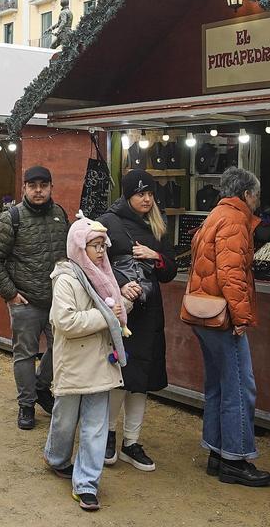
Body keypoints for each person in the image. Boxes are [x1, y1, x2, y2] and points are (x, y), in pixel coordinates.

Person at [188, 166, 270, 487]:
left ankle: (217, 451)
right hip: (222, 316)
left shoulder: (215, 215)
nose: (258, 201)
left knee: (218, 386)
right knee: (238, 387)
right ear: (247, 194)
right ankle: (235, 459)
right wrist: (241, 317)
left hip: (203, 313)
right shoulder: (236, 220)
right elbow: (231, 273)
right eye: (257, 195)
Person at [45, 217, 131, 511]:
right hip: (74, 364)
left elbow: (115, 312)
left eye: (102, 245)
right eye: (94, 245)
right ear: (79, 247)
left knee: (95, 426)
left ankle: (86, 484)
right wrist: (106, 315)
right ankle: (57, 458)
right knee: (65, 419)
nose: (100, 251)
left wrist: (125, 304)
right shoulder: (66, 279)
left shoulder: (105, 277)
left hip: (101, 364)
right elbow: (66, 322)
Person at [97, 169, 178, 471]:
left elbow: (169, 271)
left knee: (141, 379)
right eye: (140, 193)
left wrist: (155, 256)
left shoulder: (158, 224)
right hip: (122, 312)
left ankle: (131, 442)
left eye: (150, 193)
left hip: (150, 311)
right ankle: (107, 435)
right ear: (128, 195)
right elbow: (95, 265)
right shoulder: (108, 222)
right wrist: (119, 286)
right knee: (120, 375)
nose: (146, 199)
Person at [0, 165, 69, 430]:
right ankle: (27, 404)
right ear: (24, 188)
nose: (38, 191)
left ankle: (41, 387)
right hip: (25, 301)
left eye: (43, 185)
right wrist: (10, 294)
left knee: (60, 348)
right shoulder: (12, 218)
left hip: (57, 301)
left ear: (51, 187)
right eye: (33, 186)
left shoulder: (60, 214)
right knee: (24, 354)